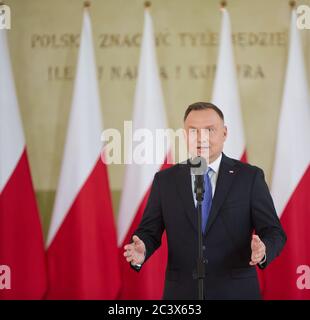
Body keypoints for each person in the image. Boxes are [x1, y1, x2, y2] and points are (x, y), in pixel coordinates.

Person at [123, 102, 286, 300]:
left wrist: (263, 249)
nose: (202, 138)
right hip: (182, 295)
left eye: (210, 130)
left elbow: (273, 231)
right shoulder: (165, 180)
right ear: (184, 136)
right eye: (193, 131)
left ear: (224, 133)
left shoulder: (249, 177)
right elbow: (149, 232)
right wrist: (143, 250)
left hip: (236, 292)